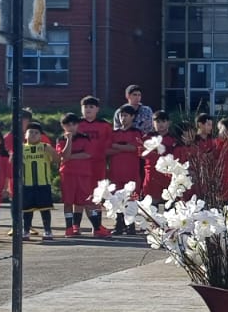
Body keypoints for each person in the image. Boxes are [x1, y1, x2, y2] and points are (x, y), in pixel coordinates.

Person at [66, 96, 112, 237]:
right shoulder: (76, 124)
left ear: (97, 109)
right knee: (79, 196)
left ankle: (97, 226)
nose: (88, 109)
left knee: (96, 196)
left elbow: (109, 145)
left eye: (91, 107)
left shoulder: (104, 125)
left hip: (98, 165)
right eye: (85, 107)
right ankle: (75, 226)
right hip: (80, 166)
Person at [106, 104, 144, 233]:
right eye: (121, 115)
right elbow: (107, 150)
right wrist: (124, 148)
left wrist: (116, 147)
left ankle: (131, 225)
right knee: (117, 199)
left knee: (131, 199)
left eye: (126, 115)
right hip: (116, 172)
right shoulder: (114, 133)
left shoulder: (136, 132)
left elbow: (135, 148)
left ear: (132, 117)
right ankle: (119, 224)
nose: (123, 118)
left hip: (131, 172)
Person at [20, 126, 59, 242]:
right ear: (25, 135)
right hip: (26, 184)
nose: (33, 134)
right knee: (27, 210)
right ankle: (26, 230)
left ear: (41, 136)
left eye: (36, 132)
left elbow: (57, 160)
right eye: (30, 132)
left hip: (43, 184)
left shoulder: (45, 147)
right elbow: (12, 163)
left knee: (45, 209)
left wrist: (52, 151)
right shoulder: (21, 148)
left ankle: (47, 230)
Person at [141, 110, 179, 206]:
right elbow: (141, 154)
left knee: (168, 206)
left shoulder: (174, 139)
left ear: (169, 123)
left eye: (163, 121)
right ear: (153, 123)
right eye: (158, 122)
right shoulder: (147, 138)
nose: (161, 124)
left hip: (168, 176)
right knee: (152, 207)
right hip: (152, 176)